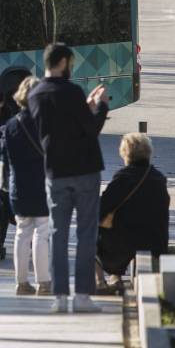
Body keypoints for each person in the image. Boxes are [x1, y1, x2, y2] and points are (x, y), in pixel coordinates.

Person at [29, 43, 109, 313]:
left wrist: (84, 106)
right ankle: (83, 296)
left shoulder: (35, 94)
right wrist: (100, 106)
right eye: (70, 64)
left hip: (56, 172)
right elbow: (91, 127)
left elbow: (52, 130)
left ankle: (60, 296)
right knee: (86, 234)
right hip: (85, 170)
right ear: (63, 62)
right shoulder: (73, 91)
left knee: (57, 234)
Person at [0, 76, 51, 296]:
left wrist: (3, 186)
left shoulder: (10, 125)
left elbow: (4, 158)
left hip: (17, 186)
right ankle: (44, 282)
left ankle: (21, 282)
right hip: (41, 183)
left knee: (22, 232)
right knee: (42, 231)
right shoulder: (45, 122)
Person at [97, 133, 170, 280]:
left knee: (89, 236)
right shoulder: (158, 178)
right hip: (155, 241)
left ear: (125, 153)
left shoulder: (124, 177)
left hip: (126, 240)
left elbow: (103, 207)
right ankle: (116, 277)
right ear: (149, 153)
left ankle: (100, 281)